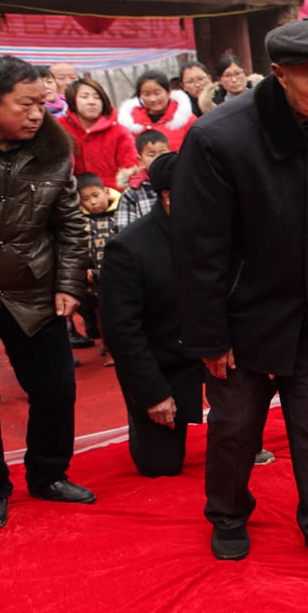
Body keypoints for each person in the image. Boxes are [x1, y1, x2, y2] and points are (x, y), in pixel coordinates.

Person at [173, 19, 308, 564]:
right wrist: (209, 336)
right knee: (237, 425)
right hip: (243, 314)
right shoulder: (219, 137)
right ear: (280, 75)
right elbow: (199, 249)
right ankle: (229, 514)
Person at [0, 55, 96, 532]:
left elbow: (69, 224)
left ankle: (49, 473)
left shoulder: (53, 150)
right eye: (25, 104)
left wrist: (69, 284)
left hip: (35, 289)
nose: (37, 115)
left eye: (43, 105)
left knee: (55, 388)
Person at [100, 152, 207, 477]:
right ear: (169, 197)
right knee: (161, 466)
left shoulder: (215, 231)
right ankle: (144, 415)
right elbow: (123, 333)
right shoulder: (129, 249)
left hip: (216, 351)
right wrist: (152, 394)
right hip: (163, 363)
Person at [59, 77, 139, 189]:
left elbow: (130, 169)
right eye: (84, 97)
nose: (92, 102)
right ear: (73, 100)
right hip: (71, 196)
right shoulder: (60, 128)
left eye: (97, 98)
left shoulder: (119, 131)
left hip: (112, 195)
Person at [75, 172, 120, 357]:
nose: (92, 202)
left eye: (96, 195)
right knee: (102, 314)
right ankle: (109, 347)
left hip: (117, 273)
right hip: (94, 277)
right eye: (86, 199)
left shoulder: (119, 213)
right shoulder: (80, 221)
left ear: (106, 192)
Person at [118, 70, 195, 150]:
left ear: (168, 92)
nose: (152, 99)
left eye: (157, 93)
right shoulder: (130, 124)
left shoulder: (186, 120)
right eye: (146, 94)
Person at [115, 131, 170, 229]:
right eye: (151, 155)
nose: (158, 158)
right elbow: (123, 229)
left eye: (162, 153)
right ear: (140, 160)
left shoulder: (182, 183)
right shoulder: (132, 192)